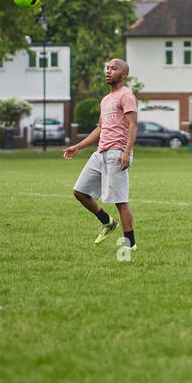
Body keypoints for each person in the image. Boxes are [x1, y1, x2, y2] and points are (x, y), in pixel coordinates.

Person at [64, 59, 137, 250]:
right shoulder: (105, 99)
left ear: (123, 75)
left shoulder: (126, 95)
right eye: (107, 68)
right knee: (80, 192)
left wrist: (127, 153)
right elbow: (100, 128)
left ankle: (130, 246)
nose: (108, 71)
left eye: (114, 69)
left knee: (121, 202)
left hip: (117, 153)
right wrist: (78, 147)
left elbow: (133, 125)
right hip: (100, 153)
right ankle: (107, 222)